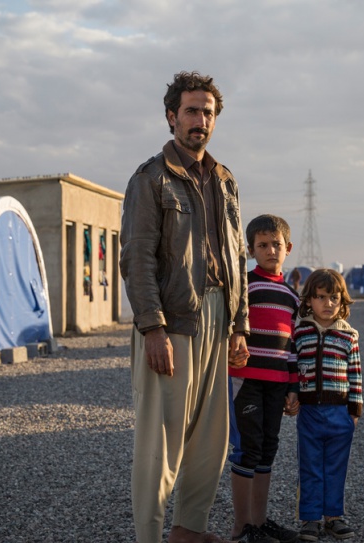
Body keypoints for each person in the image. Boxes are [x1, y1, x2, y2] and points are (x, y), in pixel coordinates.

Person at [120, 70, 250, 543]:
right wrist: (152, 328)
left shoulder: (225, 180)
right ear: (172, 116)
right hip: (173, 321)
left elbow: (237, 255)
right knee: (160, 443)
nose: (201, 120)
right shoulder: (150, 179)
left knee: (209, 443)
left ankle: (188, 531)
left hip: (219, 319)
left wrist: (240, 325)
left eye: (208, 113)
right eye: (192, 111)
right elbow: (136, 259)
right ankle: (150, 537)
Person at [227, 215, 301, 543]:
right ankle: (242, 526)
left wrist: (294, 387)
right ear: (251, 249)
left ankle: (260, 522)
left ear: (288, 247)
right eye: (262, 245)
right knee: (247, 448)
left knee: (268, 448)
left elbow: (295, 345)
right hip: (246, 379)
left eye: (276, 244)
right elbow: (229, 325)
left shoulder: (292, 296)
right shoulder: (244, 286)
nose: (270, 250)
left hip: (277, 381)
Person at [292, 269, 362, 541]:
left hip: (339, 412)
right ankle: (310, 518)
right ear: (309, 300)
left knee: (336, 466)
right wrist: (293, 394)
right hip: (309, 412)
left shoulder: (349, 336)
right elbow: (293, 367)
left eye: (334, 297)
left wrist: (354, 410)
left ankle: (333, 516)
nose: (328, 303)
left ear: (342, 301)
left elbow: (355, 373)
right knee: (309, 465)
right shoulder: (301, 333)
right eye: (321, 297)